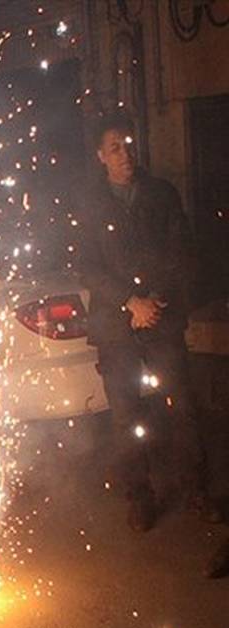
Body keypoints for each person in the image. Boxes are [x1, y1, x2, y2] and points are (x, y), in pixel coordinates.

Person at [74, 115, 221, 534]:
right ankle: (139, 496)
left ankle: (197, 490)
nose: (125, 154)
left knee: (182, 407)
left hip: (160, 317)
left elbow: (181, 250)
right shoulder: (90, 204)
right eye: (115, 148)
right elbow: (87, 266)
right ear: (101, 156)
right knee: (127, 416)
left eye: (128, 145)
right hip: (116, 326)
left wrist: (155, 299)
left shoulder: (161, 194)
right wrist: (129, 301)